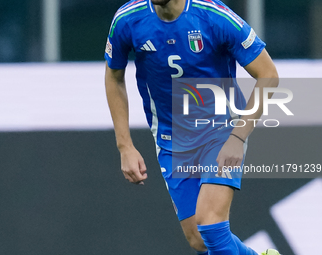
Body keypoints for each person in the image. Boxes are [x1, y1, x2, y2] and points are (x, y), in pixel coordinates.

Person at [105, 0, 280, 254]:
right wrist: (125, 146)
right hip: (171, 138)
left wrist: (237, 138)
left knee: (210, 225)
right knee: (199, 240)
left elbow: (269, 74)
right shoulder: (128, 19)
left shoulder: (213, 16)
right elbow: (113, 76)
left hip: (219, 129)